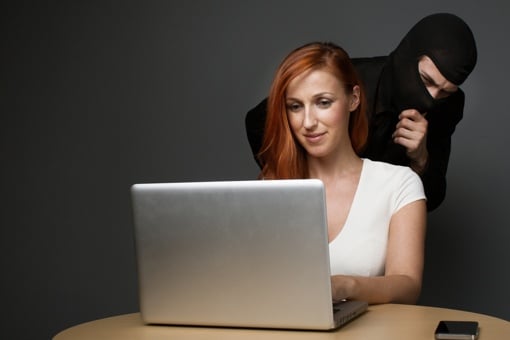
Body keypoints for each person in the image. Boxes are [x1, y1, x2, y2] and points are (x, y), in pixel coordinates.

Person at [246, 13, 477, 211]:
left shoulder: (448, 108)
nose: (432, 99)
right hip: (319, 214)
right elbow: (258, 121)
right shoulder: (347, 83)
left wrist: (421, 159)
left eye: (445, 92)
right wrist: (296, 181)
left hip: (384, 226)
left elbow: (432, 199)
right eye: (426, 80)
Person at [259, 41, 427, 304]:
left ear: (354, 99)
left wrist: (344, 285)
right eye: (295, 106)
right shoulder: (270, 186)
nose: (308, 123)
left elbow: (407, 285)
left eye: (323, 102)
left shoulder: (399, 184)